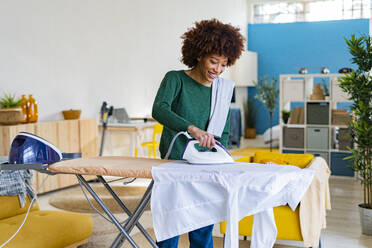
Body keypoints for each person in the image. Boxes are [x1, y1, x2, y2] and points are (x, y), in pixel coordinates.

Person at [152, 19, 245, 248]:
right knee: (170, 225)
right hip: (175, 162)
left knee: (203, 227)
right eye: (214, 62)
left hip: (206, 166)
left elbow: (222, 130)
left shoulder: (222, 90)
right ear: (199, 55)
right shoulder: (175, 79)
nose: (218, 70)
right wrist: (191, 129)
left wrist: (220, 155)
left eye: (224, 64)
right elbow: (159, 109)